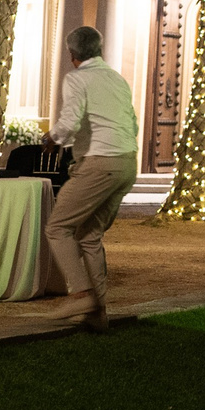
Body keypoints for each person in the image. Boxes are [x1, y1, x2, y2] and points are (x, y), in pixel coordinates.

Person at [46, 27, 140, 331]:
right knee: (90, 236)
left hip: (100, 162)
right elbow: (132, 122)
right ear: (99, 49)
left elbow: (70, 121)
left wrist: (52, 138)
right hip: (127, 162)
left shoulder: (77, 78)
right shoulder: (116, 78)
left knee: (58, 227)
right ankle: (98, 313)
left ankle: (80, 294)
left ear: (72, 55)